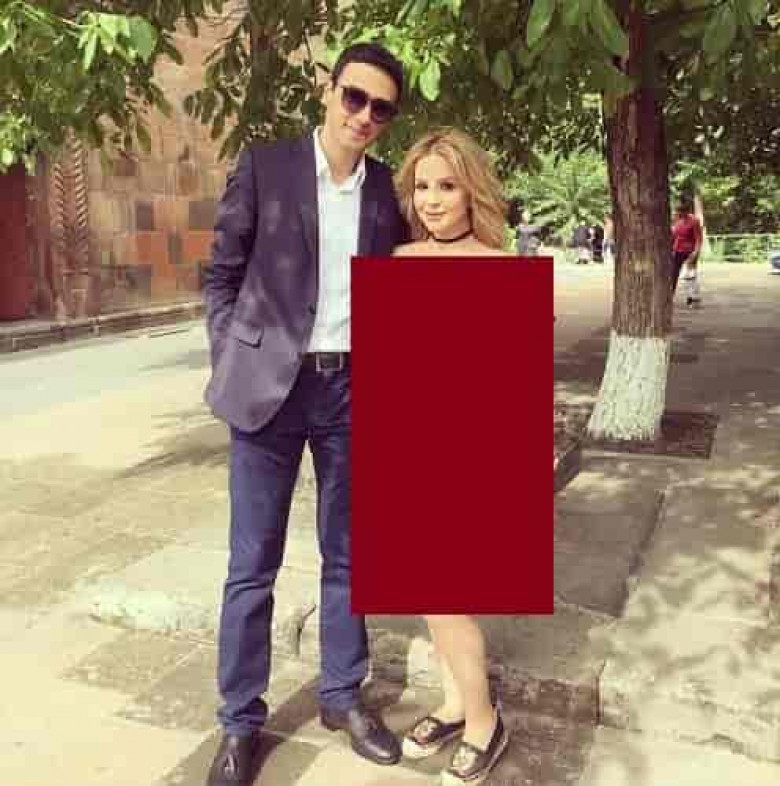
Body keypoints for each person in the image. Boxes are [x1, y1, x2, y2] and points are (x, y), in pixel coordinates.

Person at [202, 43, 408, 786]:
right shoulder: (268, 167)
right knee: (251, 565)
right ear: (329, 89)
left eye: (381, 108)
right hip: (269, 390)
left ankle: (341, 696)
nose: (364, 115)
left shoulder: (386, 189)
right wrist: (232, 356)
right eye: (354, 96)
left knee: (350, 555)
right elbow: (222, 273)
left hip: (350, 390)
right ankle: (239, 722)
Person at [393, 128, 511, 786]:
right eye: (422, 186)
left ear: (473, 192)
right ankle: (453, 702)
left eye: (447, 185)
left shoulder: (495, 266)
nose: (432, 199)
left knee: (445, 599)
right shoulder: (399, 258)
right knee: (427, 593)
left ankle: (485, 722)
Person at [671, 199, 703, 305]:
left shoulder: (694, 221)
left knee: (690, 274)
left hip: (690, 251)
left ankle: (693, 298)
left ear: (686, 212)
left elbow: (699, 238)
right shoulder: (677, 221)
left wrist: (695, 252)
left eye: (679, 212)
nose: (677, 214)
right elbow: (674, 236)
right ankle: (669, 296)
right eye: (677, 212)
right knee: (673, 274)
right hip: (677, 251)